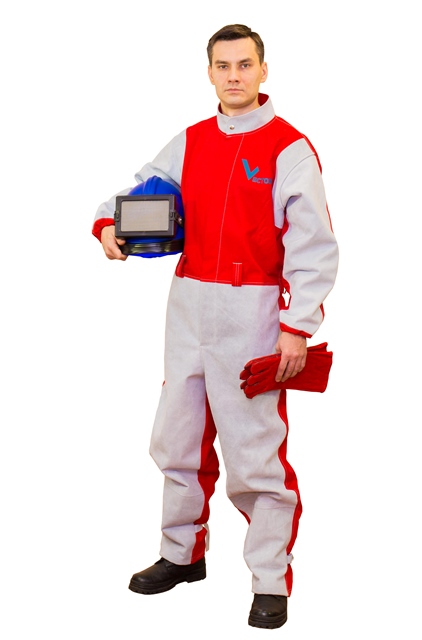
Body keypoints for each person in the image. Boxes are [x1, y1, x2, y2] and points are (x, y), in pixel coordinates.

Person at [93, 24, 339, 629]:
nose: (234, 75)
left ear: (263, 70)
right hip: (187, 307)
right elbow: (141, 192)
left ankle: (269, 580)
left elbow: (314, 246)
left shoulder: (289, 149)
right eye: (223, 66)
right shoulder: (191, 140)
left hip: (253, 311)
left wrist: (296, 326)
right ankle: (182, 554)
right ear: (209, 73)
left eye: (244, 64)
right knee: (176, 438)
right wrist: (107, 225)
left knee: (255, 452)